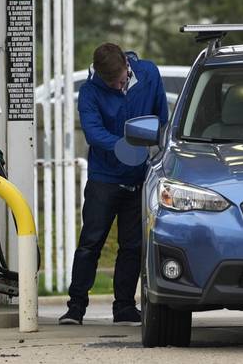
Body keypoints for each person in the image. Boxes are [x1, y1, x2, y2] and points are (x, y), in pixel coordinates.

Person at [59, 43, 168, 325]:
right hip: (104, 179)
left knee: (132, 246)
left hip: (139, 177)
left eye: (120, 80)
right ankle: (76, 307)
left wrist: (156, 148)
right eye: (111, 83)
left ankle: (124, 308)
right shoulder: (90, 92)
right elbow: (94, 134)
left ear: (127, 66)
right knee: (90, 243)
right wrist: (125, 146)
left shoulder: (149, 74)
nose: (117, 86)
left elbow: (161, 117)